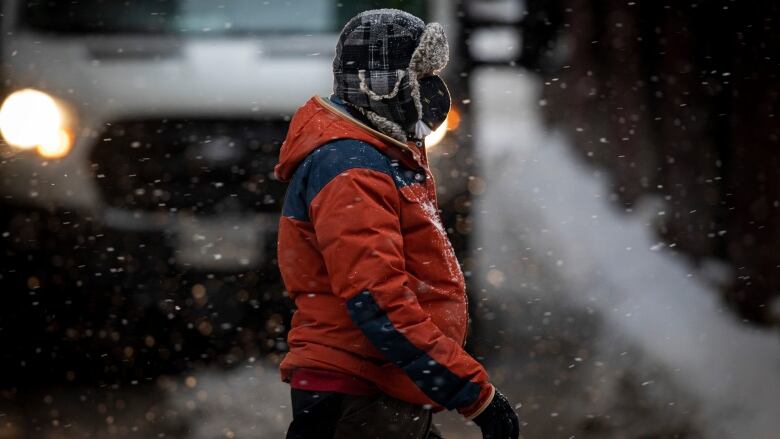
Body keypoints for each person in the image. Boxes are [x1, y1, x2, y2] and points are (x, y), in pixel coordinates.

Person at [274, 9, 520, 439]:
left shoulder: (379, 153)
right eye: (418, 76)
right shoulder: (353, 168)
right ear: (381, 85)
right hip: (358, 397)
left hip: (379, 390)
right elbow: (379, 301)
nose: (431, 91)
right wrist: (474, 395)